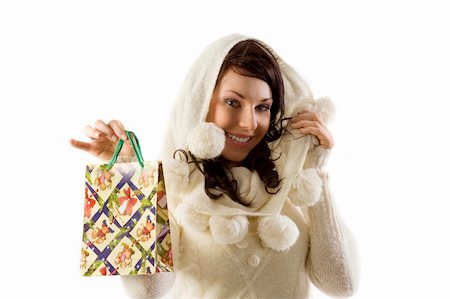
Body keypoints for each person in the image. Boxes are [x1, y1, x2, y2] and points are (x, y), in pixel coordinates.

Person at [70, 33, 360, 298]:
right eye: (233, 102)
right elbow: (147, 290)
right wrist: (126, 174)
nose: (249, 123)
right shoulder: (176, 187)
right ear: (201, 103)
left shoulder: (289, 187)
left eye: (262, 107)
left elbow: (342, 284)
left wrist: (313, 169)